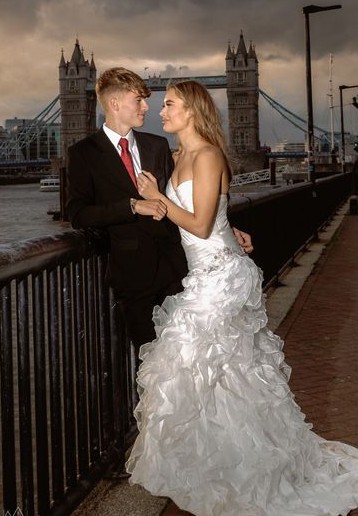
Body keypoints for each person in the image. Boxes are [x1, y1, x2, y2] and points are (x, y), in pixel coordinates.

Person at [126, 80, 358, 516]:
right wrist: (225, 226)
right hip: (202, 274)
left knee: (206, 361)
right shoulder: (174, 158)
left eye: (170, 104)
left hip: (223, 279)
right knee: (220, 371)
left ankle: (247, 467)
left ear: (192, 110)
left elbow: (197, 224)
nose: (161, 111)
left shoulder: (210, 155)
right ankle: (217, 462)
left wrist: (157, 199)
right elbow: (212, 216)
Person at [66, 67, 254, 352]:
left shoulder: (158, 145)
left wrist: (223, 226)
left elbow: (186, 200)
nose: (147, 107)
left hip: (180, 271)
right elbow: (77, 214)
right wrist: (132, 206)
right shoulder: (83, 153)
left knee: (193, 358)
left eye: (151, 100)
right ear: (115, 104)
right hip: (133, 277)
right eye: (139, 100)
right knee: (154, 366)